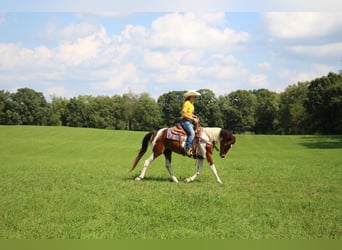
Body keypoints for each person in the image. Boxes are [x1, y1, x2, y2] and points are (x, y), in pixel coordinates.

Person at [180, 90, 201, 156]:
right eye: (194, 96)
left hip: (190, 121)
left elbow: (189, 113)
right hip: (185, 121)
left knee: (198, 131)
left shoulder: (192, 104)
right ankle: (187, 149)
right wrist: (193, 119)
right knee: (192, 133)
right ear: (190, 96)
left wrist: (194, 116)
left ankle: (195, 148)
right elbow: (183, 114)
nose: (195, 98)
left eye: (196, 97)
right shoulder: (187, 103)